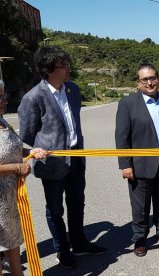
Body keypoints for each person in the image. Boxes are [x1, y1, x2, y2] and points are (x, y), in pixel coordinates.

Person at [18, 46, 106, 269]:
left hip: (76, 156)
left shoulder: (73, 90)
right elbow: (27, 133)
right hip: (53, 163)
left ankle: (79, 243)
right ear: (48, 70)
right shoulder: (33, 97)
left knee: (77, 203)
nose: (68, 69)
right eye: (63, 66)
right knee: (55, 209)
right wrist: (43, 147)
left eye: (68, 64)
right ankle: (62, 249)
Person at [115, 64, 159, 257]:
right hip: (140, 163)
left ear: (158, 78)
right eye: (144, 79)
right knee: (140, 204)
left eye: (152, 78)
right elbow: (122, 136)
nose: (149, 82)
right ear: (138, 83)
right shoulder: (128, 103)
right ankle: (139, 239)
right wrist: (125, 164)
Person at [0, 80, 47, 276]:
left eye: (3, 96)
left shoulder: (3, 121)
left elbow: (14, 148)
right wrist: (17, 167)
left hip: (10, 198)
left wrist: (31, 151)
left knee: (11, 239)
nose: (4, 102)